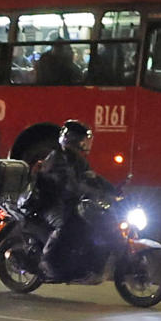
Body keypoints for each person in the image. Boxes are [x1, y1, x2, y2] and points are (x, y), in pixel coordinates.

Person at [35, 120, 113, 280]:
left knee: (90, 224)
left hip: (68, 202)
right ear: (72, 139)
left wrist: (113, 189)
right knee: (65, 224)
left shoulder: (78, 160)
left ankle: (82, 263)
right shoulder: (57, 159)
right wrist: (94, 193)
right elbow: (71, 186)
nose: (86, 144)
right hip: (50, 202)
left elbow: (92, 176)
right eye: (82, 140)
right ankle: (47, 262)